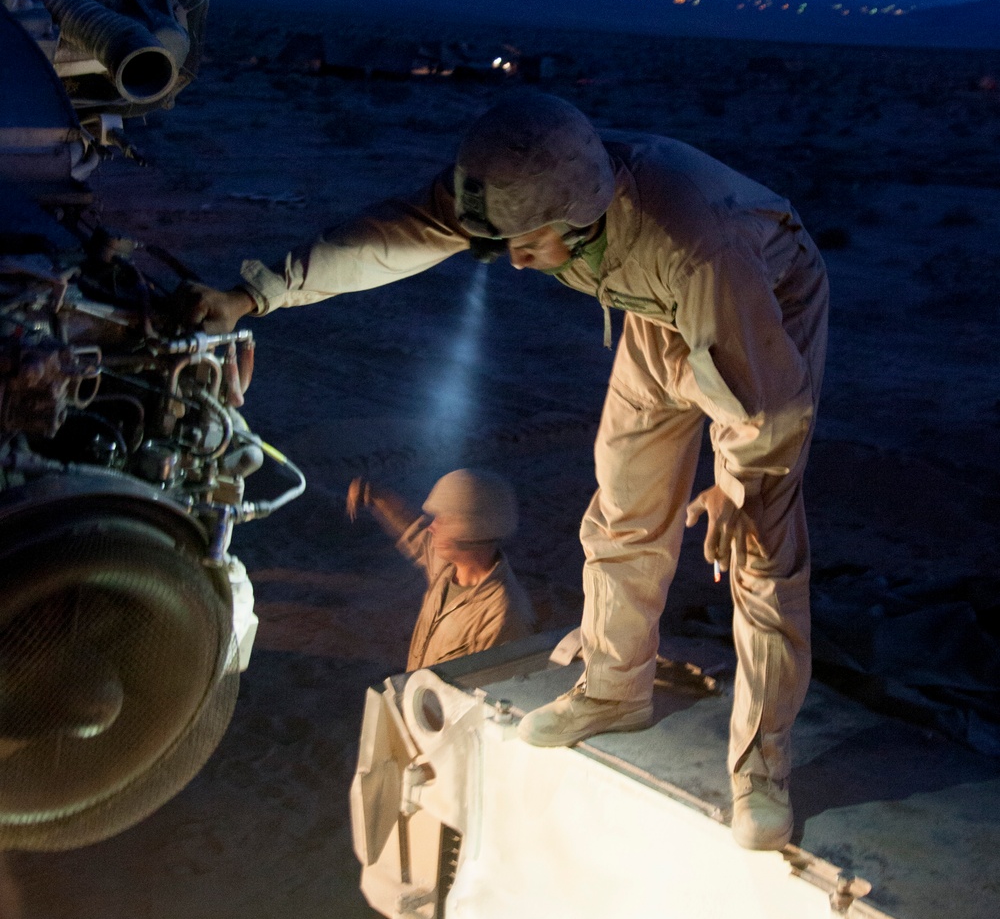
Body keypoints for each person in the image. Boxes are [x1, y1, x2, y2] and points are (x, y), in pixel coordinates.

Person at [188, 91, 828, 851]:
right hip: (656, 314)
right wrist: (251, 294)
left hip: (762, 314)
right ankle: (614, 689)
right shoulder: (525, 185)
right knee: (624, 506)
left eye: (526, 244)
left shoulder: (699, 243)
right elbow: (385, 237)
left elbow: (773, 405)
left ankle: (762, 768)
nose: (513, 261)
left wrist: (735, 486)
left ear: (582, 219)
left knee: (755, 546)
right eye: (501, 243)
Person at [347, 468, 533, 670]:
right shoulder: (447, 568)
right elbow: (413, 531)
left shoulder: (502, 617)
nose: (431, 527)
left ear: (469, 531)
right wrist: (377, 495)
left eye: (442, 519)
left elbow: (492, 691)